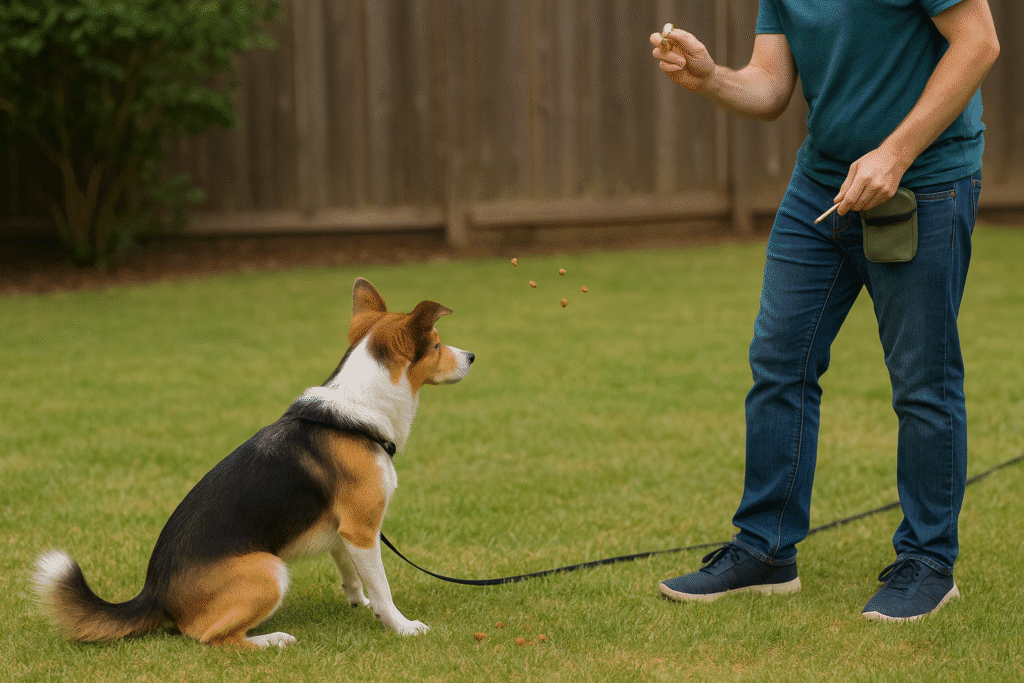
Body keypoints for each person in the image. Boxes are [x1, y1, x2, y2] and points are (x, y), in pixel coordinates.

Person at [650, 0, 999, 621]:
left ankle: (927, 562)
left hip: (926, 179)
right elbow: (771, 86)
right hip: (822, 181)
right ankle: (765, 551)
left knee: (923, 379)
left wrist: (895, 153)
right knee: (780, 359)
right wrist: (713, 78)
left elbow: (978, 43)